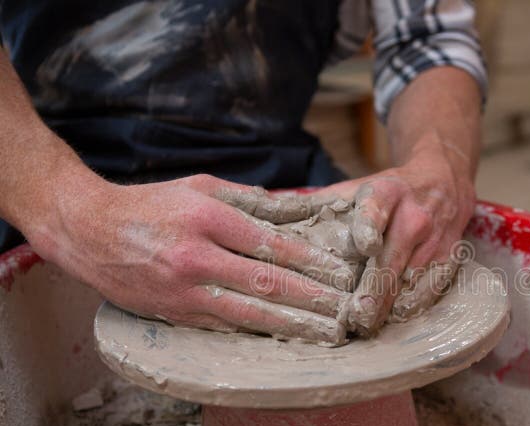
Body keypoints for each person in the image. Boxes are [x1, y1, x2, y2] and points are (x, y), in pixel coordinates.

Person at [0, 0, 486, 337]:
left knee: (396, 277)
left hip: (270, 164)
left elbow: (426, 39)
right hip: (49, 169)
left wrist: (440, 164)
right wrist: (72, 212)